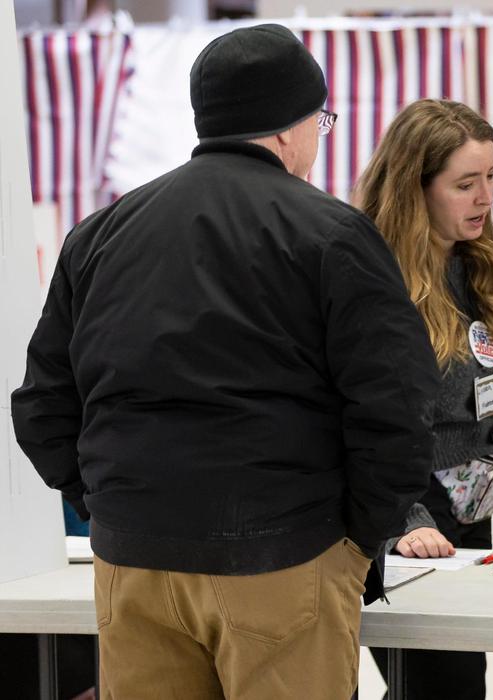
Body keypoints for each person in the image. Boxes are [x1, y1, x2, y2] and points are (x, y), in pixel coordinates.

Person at [10, 24, 440, 699]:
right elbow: (401, 408)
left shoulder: (100, 235)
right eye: (320, 121)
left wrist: (109, 506)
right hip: (282, 554)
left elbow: (41, 407)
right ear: (290, 129)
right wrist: (355, 539)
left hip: (135, 561)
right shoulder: (331, 234)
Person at [353, 98, 493, 700]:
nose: (486, 197)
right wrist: (401, 522)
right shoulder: (370, 277)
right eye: (465, 184)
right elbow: (357, 420)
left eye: (492, 177)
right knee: (439, 685)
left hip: (471, 501)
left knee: (455, 686)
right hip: (399, 505)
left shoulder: (481, 259)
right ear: (416, 188)